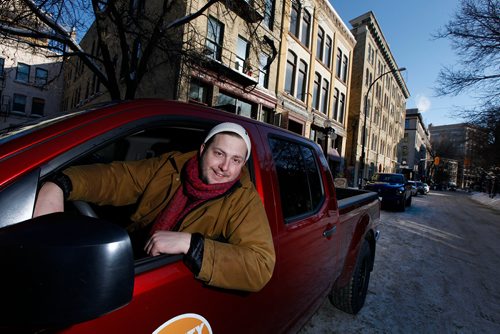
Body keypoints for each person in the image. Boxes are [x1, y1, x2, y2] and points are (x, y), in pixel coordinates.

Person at [34, 122, 275, 292]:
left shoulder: (244, 199)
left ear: (243, 164)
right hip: (132, 264)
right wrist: (63, 183)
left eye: (235, 160)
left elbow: (260, 266)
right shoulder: (170, 167)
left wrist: (192, 244)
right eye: (219, 153)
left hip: (170, 289)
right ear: (203, 151)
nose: (225, 167)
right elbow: (119, 178)